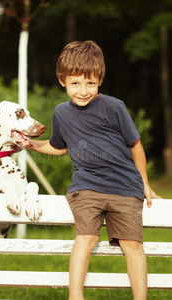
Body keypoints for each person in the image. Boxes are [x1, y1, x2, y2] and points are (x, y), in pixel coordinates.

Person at [26, 40, 161, 300]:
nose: (83, 91)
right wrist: (30, 145)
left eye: (91, 83)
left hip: (125, 188)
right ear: (62, 80)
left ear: (100, 79)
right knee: (85, 239)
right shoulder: (61, 113)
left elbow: (136, 146)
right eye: (76, 83)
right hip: (86, 188)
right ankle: (75, 297)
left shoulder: (114, 107)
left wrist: (144, 182)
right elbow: (58, 147)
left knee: (132, 245)